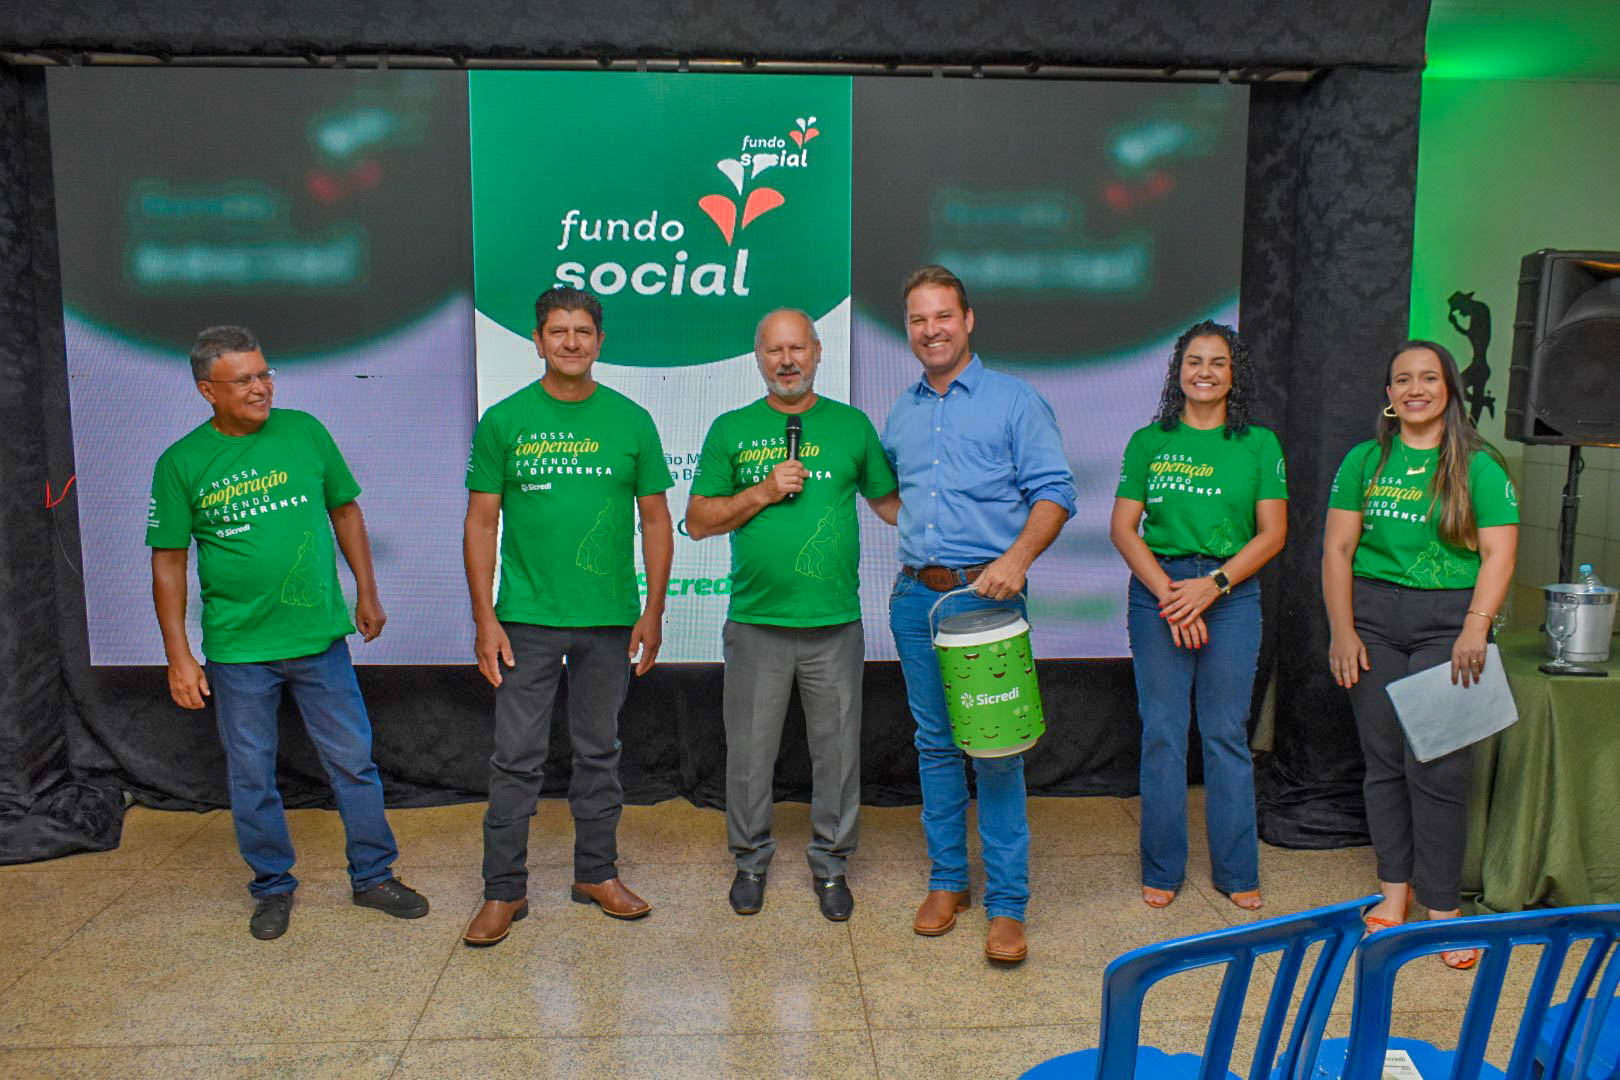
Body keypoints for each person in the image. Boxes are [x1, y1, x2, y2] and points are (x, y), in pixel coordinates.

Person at [147, 325, 428, 941]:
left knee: (353, 763)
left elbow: (345, 510)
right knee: (252, 776)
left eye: (265, 374)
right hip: (239, 650)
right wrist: (179, 655)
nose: (261, 388)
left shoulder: (304, 431)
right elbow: (168, 561)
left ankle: (374, 876)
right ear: (207, 391)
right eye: (244, 380)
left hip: (319, 641)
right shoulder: (180, 463)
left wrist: (367, 592)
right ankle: (272, 888)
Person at [461, 286, 674, 947]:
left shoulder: (632, 420)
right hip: (525, 618)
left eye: (583, 331)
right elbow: (481, 522)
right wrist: (484, 618)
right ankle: (503, 891)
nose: (572, 342)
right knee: (516, 758)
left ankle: (596, 875)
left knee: (599, 753)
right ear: (538, 340)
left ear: (600, 341)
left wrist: (653, 610)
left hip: (609, 619)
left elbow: (656, 520)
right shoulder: (504, 420)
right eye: (559, 331)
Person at [882, 266, 1075, 965]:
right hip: (916, 600)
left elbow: (1056, 492)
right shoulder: (901, 412)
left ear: (967, 320)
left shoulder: (1015, 401)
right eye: (918, 319)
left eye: (943, 316)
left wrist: (1016, 559)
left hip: (987, 600)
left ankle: (1008, 906)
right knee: (935, 744)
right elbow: (894, 495)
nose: (930, 330)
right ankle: (948, 883)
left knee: (995, 751)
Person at [687, 308, 899, 921]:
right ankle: (751, 861)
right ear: (758, 358)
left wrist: (961, 521)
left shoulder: (852, 426)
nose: (787, 361)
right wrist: (763, 490)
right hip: (757, 623)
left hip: (834, 623)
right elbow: (698, 521)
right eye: (774, 350)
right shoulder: (731, 429)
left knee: (838, 756)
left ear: (817, 351)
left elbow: (890, 505)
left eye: (797, 348)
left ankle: (831, 866)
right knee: (750, 755)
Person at [1322, 340, 1518, 971]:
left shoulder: (1479, 465)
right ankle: (1393, 896)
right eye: (1402, 379)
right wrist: (1342, 630)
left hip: (1450, 624)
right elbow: (1337, 551)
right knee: (1383, 764)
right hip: (1373, 621)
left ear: (1449, 389)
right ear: (1388, 394)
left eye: (1428, 378)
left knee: (1437, 769)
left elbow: (1499, 554)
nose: (1415, 389)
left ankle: (1443, 911)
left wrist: (1475, 627)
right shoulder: (1364, 460)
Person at [1109, 321, 1287, 912]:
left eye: (1217, 362)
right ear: (1177, 370)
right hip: (1158, 590)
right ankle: (1162, 868)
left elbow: (1273, 534)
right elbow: (1123, 529)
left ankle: (1237, 871)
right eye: (1193, 361)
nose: (1204, 372)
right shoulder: (1148, 441)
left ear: (1234, 374)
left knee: (1225, 733)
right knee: (1162, 733)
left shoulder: (1259, 444)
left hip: (1230, 593)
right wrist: (1171, 595)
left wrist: (1211, 587)